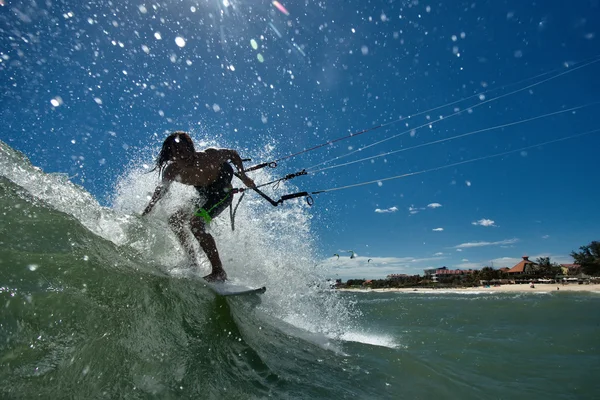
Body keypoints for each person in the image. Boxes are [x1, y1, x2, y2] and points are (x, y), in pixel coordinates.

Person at [142, 131, 255, 281]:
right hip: (203, 196)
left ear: (192, 147)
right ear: (171, 157)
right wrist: (148, 209)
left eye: (186, 149)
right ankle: (192, 261)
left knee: (195, 222)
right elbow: (161, 190)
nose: (185, 155)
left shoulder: (209, 156)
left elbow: (232, 154)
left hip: (221, 194)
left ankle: (218, 271)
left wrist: (244, 176)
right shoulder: (172, 171)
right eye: (178, 152)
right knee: (175, 220)